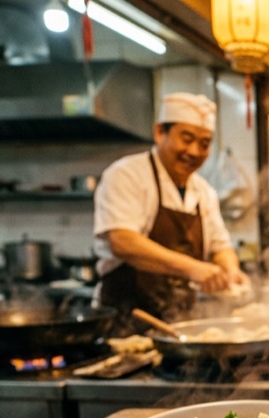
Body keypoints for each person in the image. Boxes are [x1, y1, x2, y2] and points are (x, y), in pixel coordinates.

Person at [93, 92, 249, 333]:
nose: (194, 151)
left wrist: (230, 271)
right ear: (159, 133)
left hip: (181, 328)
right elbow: (122, 241)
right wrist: (192, 268)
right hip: (126, 326)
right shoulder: (127, 174)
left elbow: (221, 247)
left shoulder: (203, 191)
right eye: (186, 139)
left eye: (204, 143)